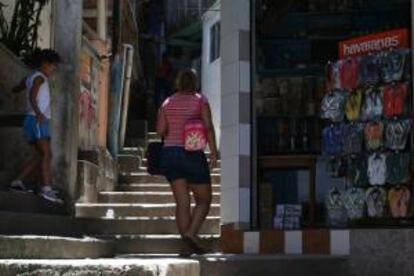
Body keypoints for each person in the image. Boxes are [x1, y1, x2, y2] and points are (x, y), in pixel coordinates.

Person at [156, 69, 218, 254]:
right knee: (204, 200)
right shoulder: (200, 100)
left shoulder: (167, 103)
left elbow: (160, 131)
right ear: (194, 82)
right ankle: (191, 233)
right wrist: (213, 152)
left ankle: (186, 247)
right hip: (192, 154)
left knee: (182, 203)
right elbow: (208, 126)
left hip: (170, 154)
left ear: (178, 83)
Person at [9, 49, 63, 204]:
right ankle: (47, 189)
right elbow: (33, 96)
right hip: (37, 120)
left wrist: (14, 89)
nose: (54, 69)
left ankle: (17, 182)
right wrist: (39, 113)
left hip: (32, 120)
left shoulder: (31, 77)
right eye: (53, 66)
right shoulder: (40, 78)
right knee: (47, 154)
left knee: (40, 156)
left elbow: (19, 87)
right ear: (45, 64)